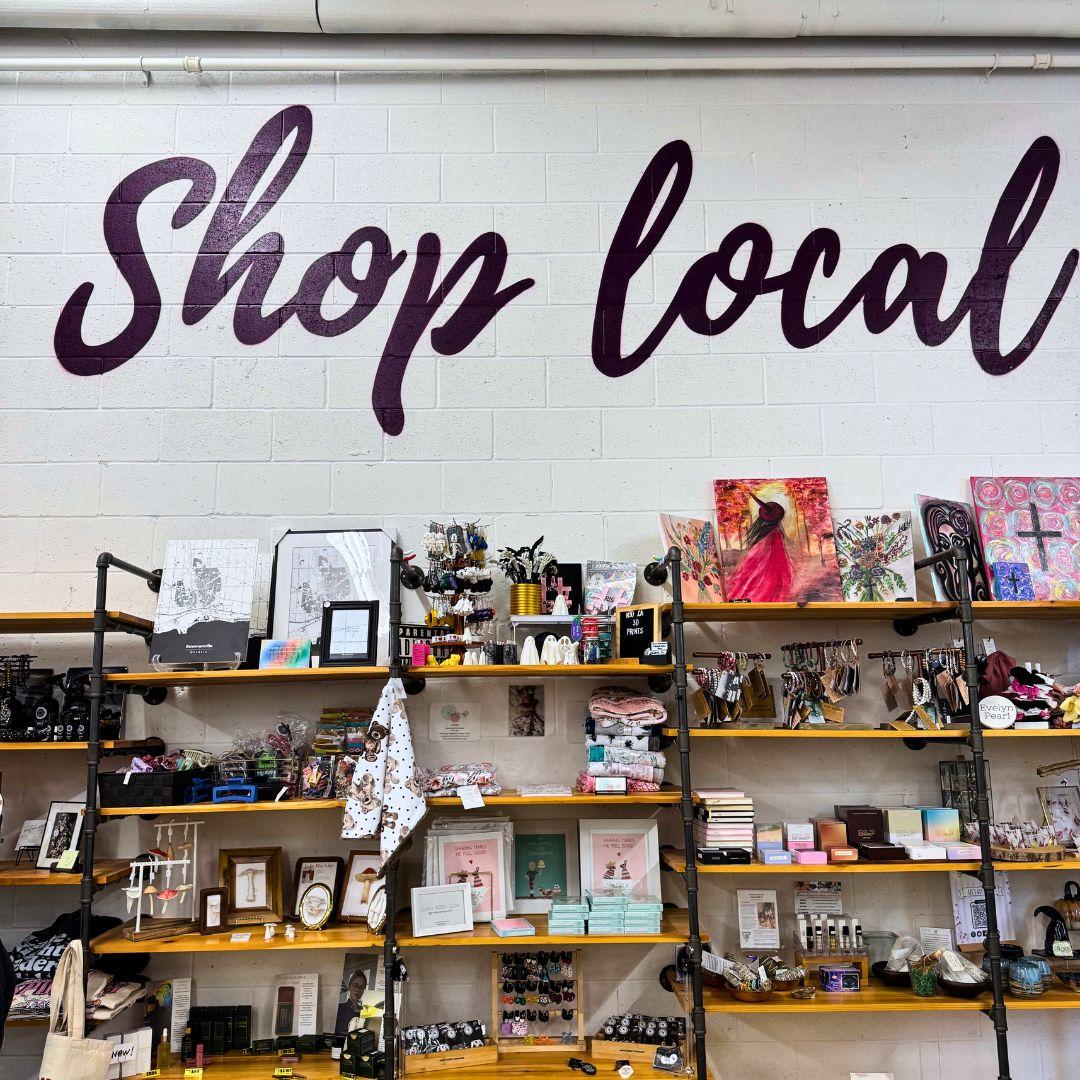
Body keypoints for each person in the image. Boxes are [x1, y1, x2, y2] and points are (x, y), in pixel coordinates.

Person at [726, 493, 794, 602]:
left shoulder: (771, 534)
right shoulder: (774, 533)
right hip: (769, 568)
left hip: (768, 568)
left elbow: (774, 556)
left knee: (758, 583)